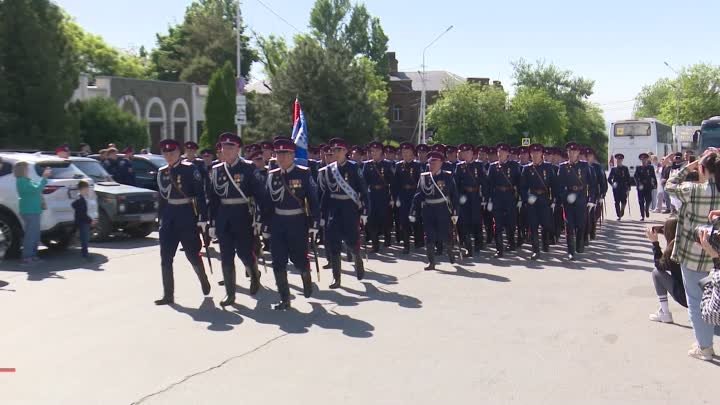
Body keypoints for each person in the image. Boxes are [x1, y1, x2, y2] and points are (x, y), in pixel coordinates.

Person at [663, 149, 720, 361]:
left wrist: (688, 167)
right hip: (717, 252)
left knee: (697, 301)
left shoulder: (694, 189)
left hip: (694, 254)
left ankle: (704, 347)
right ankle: (704, 342)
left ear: (702, 169)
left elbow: (669, 185)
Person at [261, 139, 320, 310]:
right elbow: (267, 203)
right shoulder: (272, 175)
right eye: (278, 154)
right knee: (278, 260)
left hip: (297, 222)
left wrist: (315, 222)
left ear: (293, 155)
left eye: (285, 153)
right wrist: (265, 225)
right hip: (278, 223)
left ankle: (305, 275)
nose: (281, 157)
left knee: (298, 258)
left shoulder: (304, 173)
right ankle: (285, 298)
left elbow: (313, 199)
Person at [208, 133, 265, 306]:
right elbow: (213, 198)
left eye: (230, 147)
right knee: (226, 256)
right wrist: (211, 222)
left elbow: (260, 195)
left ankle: (254, 275)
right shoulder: (217, 169)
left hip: (243, 215)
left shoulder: (248, 168)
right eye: (224, 147)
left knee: (244, 253)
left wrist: (259, 219)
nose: (226, 150)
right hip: (224, 216)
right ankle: (230, 294)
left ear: (238, 149)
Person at [154, 139, 211, 306]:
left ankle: (203, 278)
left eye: (172, 152)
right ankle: (168, 294)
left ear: (179, 152)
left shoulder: (190, 169)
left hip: (186, 215)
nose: (169, 156)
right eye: (165, 153)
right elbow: (162, 198)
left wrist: (202, 218)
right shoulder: (162, 172)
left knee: (192, 254)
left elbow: (200, 194)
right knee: (166, 257)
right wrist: (160, 219)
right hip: (169, 217)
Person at [321, 138, 368, 288]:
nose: (336, 153)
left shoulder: (354, 168)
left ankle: (357, 259)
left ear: (345, 152)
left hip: (349, 208)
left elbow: (363, 190)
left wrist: (365, 210)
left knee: (351, 241)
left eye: (339, 150)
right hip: (334, 209)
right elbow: (326, 193)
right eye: (333, 150)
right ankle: (337, 278)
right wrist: (322, 214)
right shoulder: (329, 169)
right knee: (333, 244)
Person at [410, 151, 459, 270]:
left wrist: (455, 212)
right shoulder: (424, 177)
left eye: (434, 162)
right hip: (428, 210)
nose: (431, 165)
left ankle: (450, 251)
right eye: (430, 162)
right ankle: (431, 262)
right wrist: (413, 211)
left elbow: (454, 196)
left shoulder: (447, 176)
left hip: (442, 209)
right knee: (429, 236)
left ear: (441, 163)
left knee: (445, 234)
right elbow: (418, 195)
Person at [556, 142, 597, 261]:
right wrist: (565, 197)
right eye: (570, 152)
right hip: (568, 199)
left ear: (578, 153)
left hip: (581, 197)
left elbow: (592, 184)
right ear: (567, 153)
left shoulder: (584, 166)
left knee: (581, 224)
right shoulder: (563, 167)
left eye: (575, 152)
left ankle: (579, 243)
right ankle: (570, 251)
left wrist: (591, 199)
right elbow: (559, 185)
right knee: (569, 225)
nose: (572, 154)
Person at [645, 218, 686, 323]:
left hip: (685, 297)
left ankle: (665, 313)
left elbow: (660, 266)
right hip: (703, 296)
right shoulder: (689, 244)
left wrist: (655, 243)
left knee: (656, 273)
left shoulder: (673, 249)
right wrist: (663, 230)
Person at [520, 144, 557, 260]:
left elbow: (554, 185)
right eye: (533, 153)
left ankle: (545, 242)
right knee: (533, 225)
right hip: (532, 200)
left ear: (541, 154)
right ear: (531, 155)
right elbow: (522, 187)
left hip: (544, 199)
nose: (535, 155)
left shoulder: (548, 167)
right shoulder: (527, 168)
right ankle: (535, 250)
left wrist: (554, 199)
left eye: (538, 153)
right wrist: (527, 197)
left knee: (546, 224)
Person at [487, 143, 521, 258]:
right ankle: (499, 249)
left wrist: (519, 197)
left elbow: (519, 182)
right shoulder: (493, 166)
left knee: (511, 223)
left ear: (507, 154)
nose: (500, 154)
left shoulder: (514, 165)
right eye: (499, 152)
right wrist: (489, 200)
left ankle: (511, 242)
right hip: (498, 197)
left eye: (503, 152)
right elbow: (489, 184)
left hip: (510, 197)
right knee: (497, 224)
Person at [15, 161, 51, 264]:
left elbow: (37, 189)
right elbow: (37, 189)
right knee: (30, 235)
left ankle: (33, 255)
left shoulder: (26, 180)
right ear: (23, 170)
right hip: (29, 210)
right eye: (27, 168)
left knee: (35, 234)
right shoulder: (21, 181)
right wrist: (44, 177)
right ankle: (27, 256)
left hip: (34, 210)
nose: (28, 170)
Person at [454, 143, 487, 257]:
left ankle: (478, 243)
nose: (466, 155)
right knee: (464, 223)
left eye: (468, 152)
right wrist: (458, 196)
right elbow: (456, 184)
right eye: (464, 153)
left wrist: (485, 197)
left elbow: (484, 182)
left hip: (475, 197)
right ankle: (468, 247)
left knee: (476, 221)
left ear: (472, 154)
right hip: (464, 198)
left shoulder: (478, 165)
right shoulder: (459, 166)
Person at [362, 141, 394, 252]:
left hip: (384, 194)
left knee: (385, 219)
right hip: (372, 195)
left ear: (381, 152)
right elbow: (363, 182)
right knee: (371, 220)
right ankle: (375, 245)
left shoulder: (388, 164)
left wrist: (392, 197)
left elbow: (393, 182)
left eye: (376, 151)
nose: (373, 153)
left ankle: (387, 237)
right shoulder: (367, 164)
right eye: (372, 151)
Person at [392, 143, 423, 254]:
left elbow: (421, 183)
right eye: (403, 153)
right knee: (404, 221)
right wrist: (395, 197)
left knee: (416, 219)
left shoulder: (418, 166)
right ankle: (406, 245)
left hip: (415, 194)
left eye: (407, 152)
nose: (405, 154)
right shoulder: (399, 166)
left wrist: (421, 197)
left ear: (412, 154)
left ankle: (418, 242)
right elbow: (395, 183)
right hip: (404, 195)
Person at [72, 180, 95, 260]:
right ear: (83, 189)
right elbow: (82, 213)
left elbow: (74, 205)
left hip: (81, 220)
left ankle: (84, 252)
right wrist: (90, 220)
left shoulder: (80, 197)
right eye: (87, 188)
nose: (88, 190)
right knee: (85, 237)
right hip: (83, 221)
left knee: (84, 237)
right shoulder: (80, 199)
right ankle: (85, 253)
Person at [607, 153, 632, 220]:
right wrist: (612, 184)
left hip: (624, 187)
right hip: (616, 188)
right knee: (617, 201)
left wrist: (629, 187)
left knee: (623, 200)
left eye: (620, 160)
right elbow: (609, 179)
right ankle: (619, 215)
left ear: (622, 160)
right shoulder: (613, 169)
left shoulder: (625, 168)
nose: (619, 161)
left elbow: (628, 178)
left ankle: (622, 208)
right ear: (616, 160)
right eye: (618, 160)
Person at [634, 153, 656, 221]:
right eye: (642, 159)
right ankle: (642, 215)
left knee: (649, 200)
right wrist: (638, 184)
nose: (643, 160)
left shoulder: (650, 167)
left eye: (645, 159)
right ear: (641, 160)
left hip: (648, 186)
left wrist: (655, 184)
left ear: (647, 159)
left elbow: (653, 176)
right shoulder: (638, 167)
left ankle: (646, 209)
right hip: (641, 187)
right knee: (641, 201)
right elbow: (635, 177)